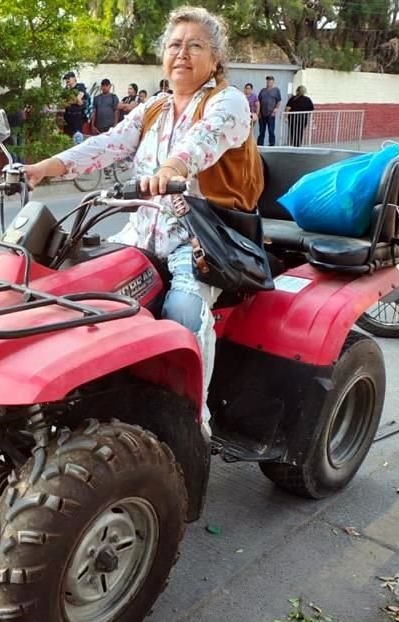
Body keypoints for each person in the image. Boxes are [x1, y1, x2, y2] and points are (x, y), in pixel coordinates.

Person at [23, 6, 262, 421]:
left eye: (194, 46)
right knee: (77, 283)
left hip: (201, 238)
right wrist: (46, 168)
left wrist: (172, 168)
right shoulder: (155, 108)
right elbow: (109, 143)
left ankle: (192, 422)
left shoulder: (229, 101)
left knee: (183, 312)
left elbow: (204, 140)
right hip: (142, 233)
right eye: (174, 45)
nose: (182, 54)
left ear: (215, 59)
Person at [256, 75, 282, 146]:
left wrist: (276, 109)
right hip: (262, 114)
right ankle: (260, 145)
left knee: (271, 130)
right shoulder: (262, 90)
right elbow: (258, 101)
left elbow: (279, 101)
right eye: (267, 80)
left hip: (271, 114)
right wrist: (258, 113)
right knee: (261, 131)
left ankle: (272, 144)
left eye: (270, 80)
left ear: (273, 82)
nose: (268, 82)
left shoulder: (276, 90)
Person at [62, 71, 88, 137]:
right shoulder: (66, 89)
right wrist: (76, 101)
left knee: (77, 136)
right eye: (66, 79)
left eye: (68, 78)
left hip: (77, 117)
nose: (67, 80)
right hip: (67, 116)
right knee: (67, 136)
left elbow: (78, 98)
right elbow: (62, 103)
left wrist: (68, 102)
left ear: (74, 78)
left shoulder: (80, 86)